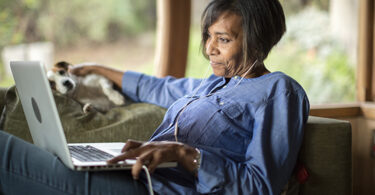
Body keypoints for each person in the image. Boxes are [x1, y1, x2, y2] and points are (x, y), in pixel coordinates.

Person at [0, 0, 310, 194]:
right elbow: (158, 88)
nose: (209, 49)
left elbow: (260, 186)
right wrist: (96, 69)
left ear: (256, 43)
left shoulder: (279, 92)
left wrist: (184, 154)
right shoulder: (214, 84)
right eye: (208, 37)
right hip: (136, 178)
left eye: (223, 39)